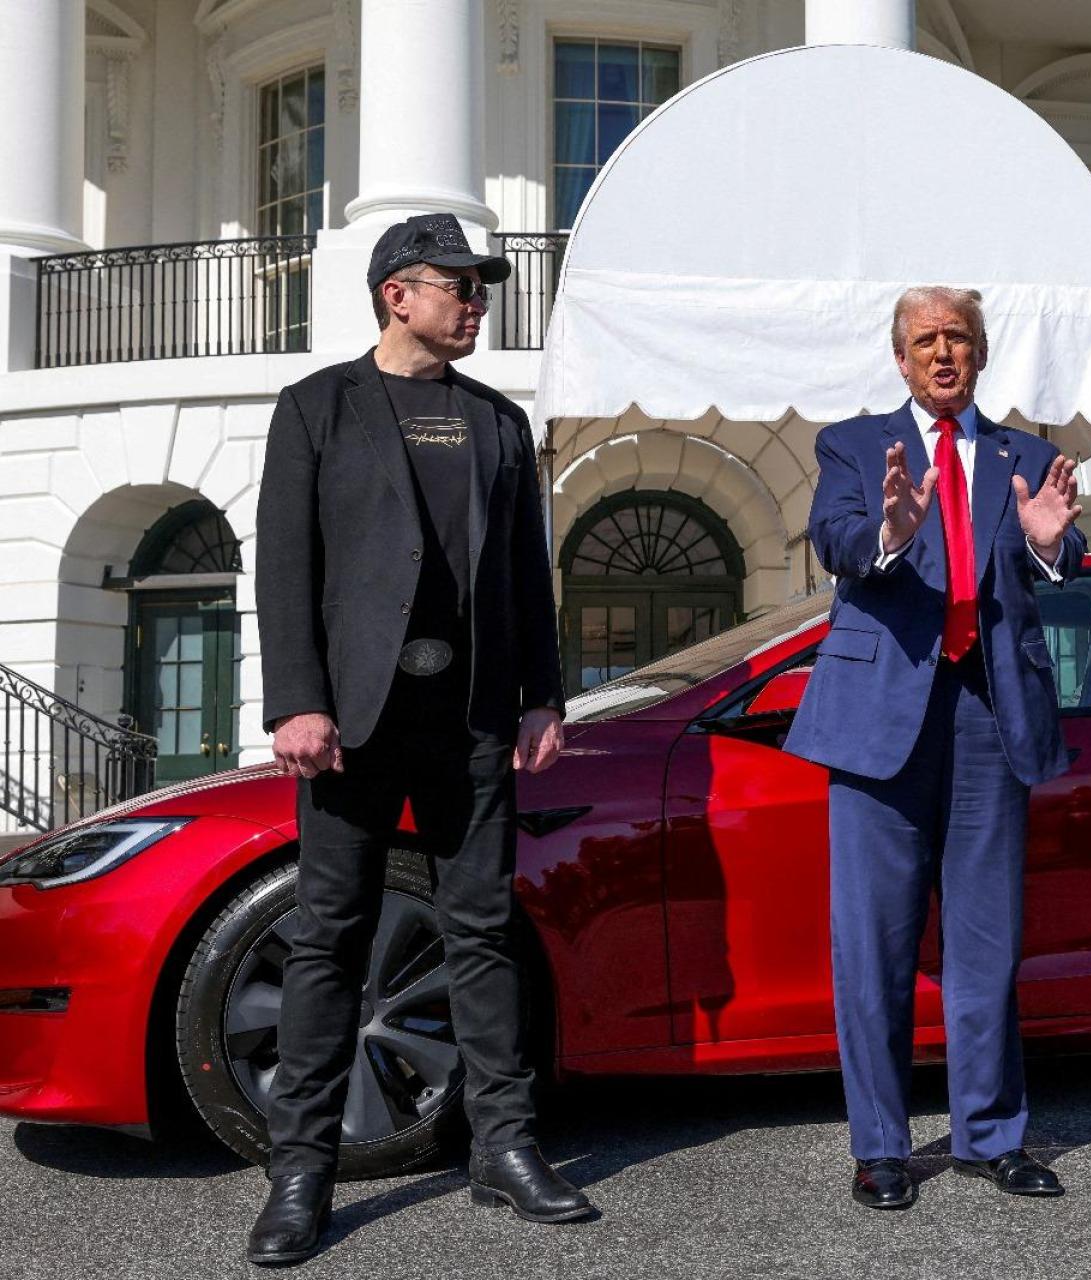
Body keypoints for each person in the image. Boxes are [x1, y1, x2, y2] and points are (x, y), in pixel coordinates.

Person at [249, 214, 585, 1267]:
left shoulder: (493, 420)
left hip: (475, 714)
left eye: (479, 286)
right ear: (398, 292)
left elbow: (529, 572)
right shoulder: (318, 407)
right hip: (353, 720)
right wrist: (295, 699)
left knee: (480, 930)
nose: (477, 299)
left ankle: (504, 1144)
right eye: (459, 284)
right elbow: (285, 564)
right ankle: (301, 1168)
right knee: (328, 935)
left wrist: (544, 694)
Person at [784, 286, 1086, 1210]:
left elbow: (1065, 557)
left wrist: (1044, 547)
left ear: (981, 354)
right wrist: (890, 530)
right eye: (926, 341)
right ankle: (880, 1148)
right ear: (902, 358)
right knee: (871, 947)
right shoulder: (852, 443)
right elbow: (833, 540)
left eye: (958, 338)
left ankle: (990, 1137)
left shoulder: (1024, 454)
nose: (943, 353)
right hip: (881, 722)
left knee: (987, 943)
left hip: (989, 720)